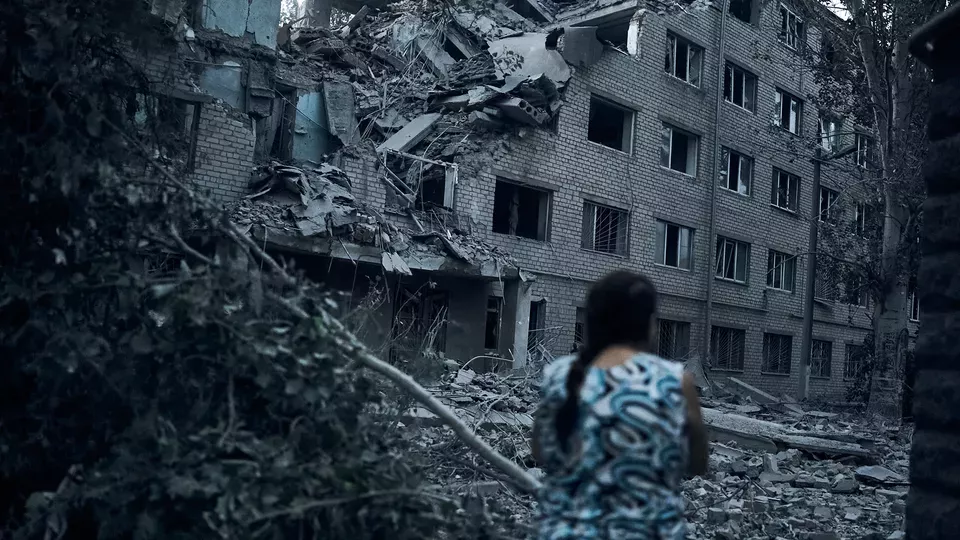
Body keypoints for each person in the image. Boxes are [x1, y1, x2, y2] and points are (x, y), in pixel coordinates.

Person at [531, 270, 709, 539]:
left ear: (593, 321)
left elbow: (541, 453)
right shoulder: (674, 381)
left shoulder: (559, 375)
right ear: (649, 324)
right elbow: (696, 465)